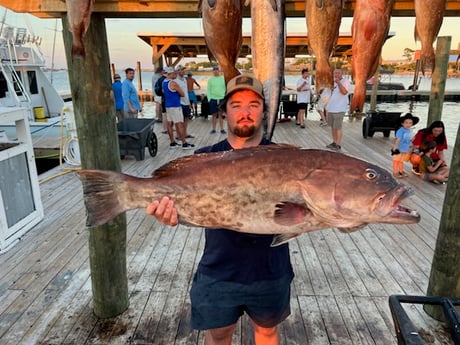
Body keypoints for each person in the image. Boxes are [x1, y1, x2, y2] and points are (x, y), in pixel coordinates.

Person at [146, 75, 294, 345]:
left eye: (254, 104)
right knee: (218, 334)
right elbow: (175, 197)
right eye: (236, 105)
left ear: (264, 110)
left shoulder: (287, 158)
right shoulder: (204, 158)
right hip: (218, 269)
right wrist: (169, 213)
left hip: (272, 269)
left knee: (268, 332)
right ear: (224, 111)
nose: (245, 112)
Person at [162, 67, 195, 150]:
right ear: (170, 74)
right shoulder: (173, 83)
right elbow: (182, 93)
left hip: (168, 105)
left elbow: (163, 92)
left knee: (169, 124)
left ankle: (172, 142)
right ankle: (184, 143)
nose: (175, 74)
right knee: (179, 123)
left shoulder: (164, 82)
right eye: (174, 73)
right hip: (175, 105)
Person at [325, 68, 351, 151]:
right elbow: (328, 94)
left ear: (342, 73)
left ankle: (338, 144)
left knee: (338, 127)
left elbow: (344, 92)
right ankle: (334, 142)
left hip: (339, 108)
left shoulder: (345, 81)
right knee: (333, 127)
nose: (336, 74)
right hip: (331, 108)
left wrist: (339, 83)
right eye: (335, 73)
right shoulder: (332, 82)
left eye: (338, 73)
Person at [391, 113, 419, 178]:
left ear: (412, 124)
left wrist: (411, 142)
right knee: (396, 160)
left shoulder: (409, 131)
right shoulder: (401, 130)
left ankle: (401, 171)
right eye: (406, 123)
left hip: (404, 149)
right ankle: (395, 172)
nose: (408, 124)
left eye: (410, 123)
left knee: (401, 160)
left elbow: (408, 139)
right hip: (399, 148)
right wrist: (395, 146)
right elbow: (398, 139)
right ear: (402, 123)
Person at [175, 65, 194, 139]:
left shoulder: (184, 80)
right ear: (178, 71)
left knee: (186, 118)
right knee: (179, 119)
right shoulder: (175, 81)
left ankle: (185, 133)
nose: (183, 71)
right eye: (181, 70)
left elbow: (186, 92)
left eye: (183, 70)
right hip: (180, 102)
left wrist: (188, 102)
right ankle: (178, 134)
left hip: (186, 101)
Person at [207, 65, 227, 134]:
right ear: (213, 71)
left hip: (221, 98)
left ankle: (222, 129)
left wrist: (225, 97)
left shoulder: (223, 79)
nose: (216, 71)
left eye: (217, 70)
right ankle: (213, 129)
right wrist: (209, 99)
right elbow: (208, 90)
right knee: (214, 115)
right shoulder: (210, 80)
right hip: (213, 99)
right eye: (214, 70)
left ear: (219, 71)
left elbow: (226, 88)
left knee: (221, 114)